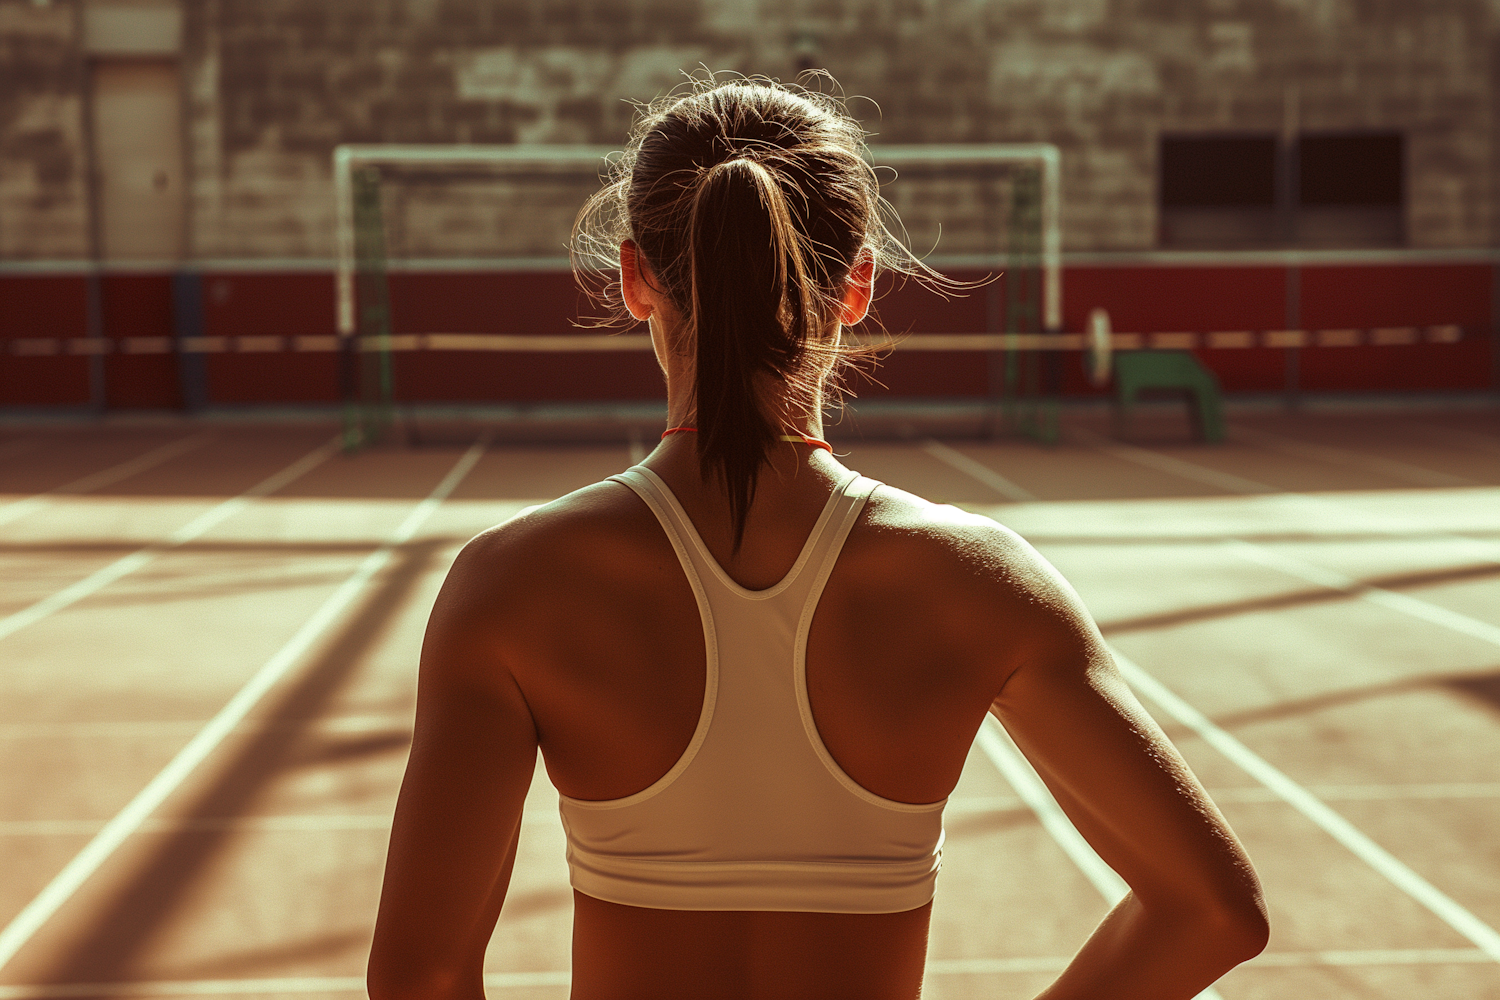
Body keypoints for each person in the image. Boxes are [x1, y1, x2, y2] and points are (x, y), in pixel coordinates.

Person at [367, 77, 1268, 1000]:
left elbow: (419, 977)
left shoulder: (512, 585)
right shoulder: (981, 583)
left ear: (635, 278)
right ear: (859, 284)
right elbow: (1214, 912)